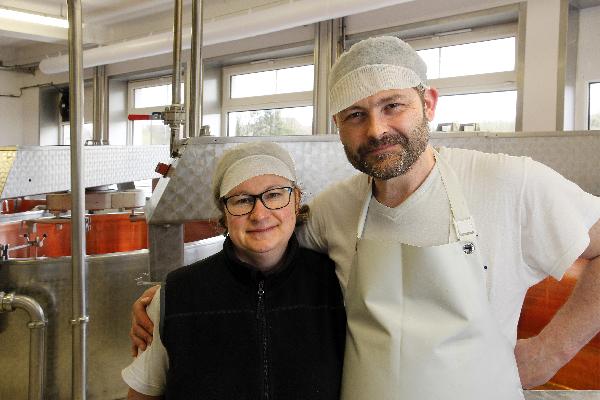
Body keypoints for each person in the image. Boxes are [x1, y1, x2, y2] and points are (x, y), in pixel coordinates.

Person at [131, 37, 600, 399]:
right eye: (355, 114)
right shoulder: (336, 209)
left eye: (392, 105)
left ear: (429, 104)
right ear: (338, 126)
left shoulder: (509, 184)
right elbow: (263, 251)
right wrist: (170, 300)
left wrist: (551, 350)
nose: (376, 130)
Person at [122, 142, 346, 399]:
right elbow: (142, 395)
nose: (259, 214)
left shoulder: (334, 284)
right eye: (242, 201)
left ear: (296, 200)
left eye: (274, 195)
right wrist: (165, 302)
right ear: (224, 214)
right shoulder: (178, 295)